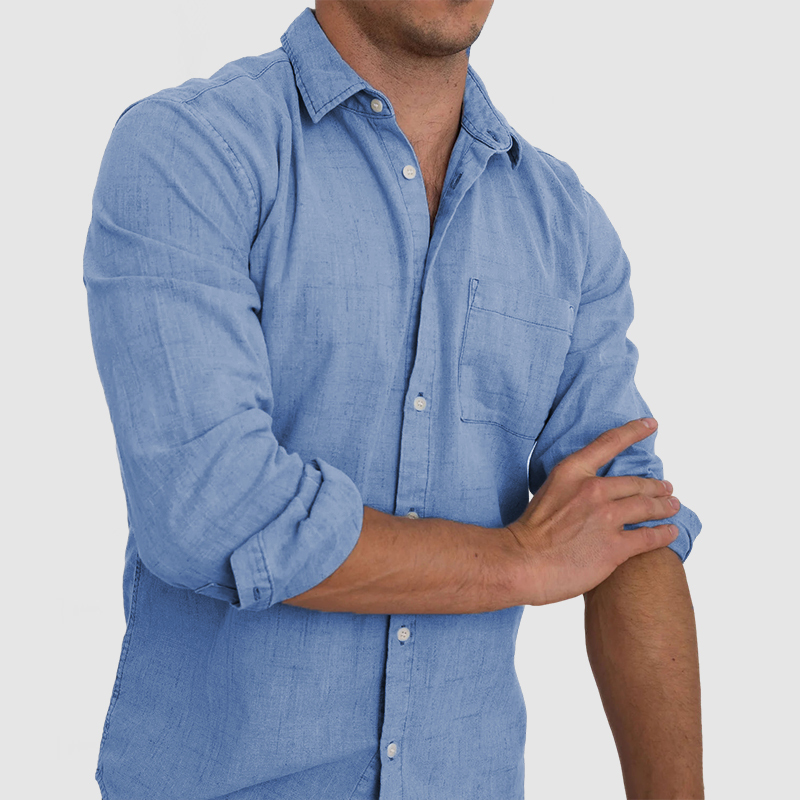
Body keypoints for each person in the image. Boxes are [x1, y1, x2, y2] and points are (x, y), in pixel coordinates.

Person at [84, 2, 703, 798]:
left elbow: (634, 527)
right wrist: (519, 560)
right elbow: (210, 512)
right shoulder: (192, 153)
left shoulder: (565, 227)